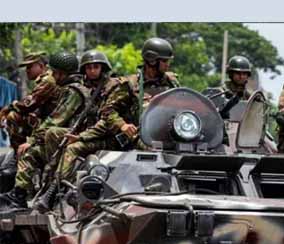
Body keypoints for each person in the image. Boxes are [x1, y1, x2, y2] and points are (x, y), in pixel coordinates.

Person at [55, 38, 179, 190]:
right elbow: (107, 111)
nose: (168, 64)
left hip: (167, 135)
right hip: (135, 137)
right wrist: (123, 125)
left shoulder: (172, 83)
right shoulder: (130, 84)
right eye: (165, 61)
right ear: (152, 61)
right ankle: (66, 191)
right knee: (73, 148)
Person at [0, 51, 89, 211]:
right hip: (58, 138)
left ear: (62, 74)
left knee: (46, 135)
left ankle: (49, 190)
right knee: (29, 154)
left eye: (55, 73)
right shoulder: (65, 89)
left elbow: (56, 119)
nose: (52, 76)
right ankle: (18, 196)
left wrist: (31, 141)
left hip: (68, 139)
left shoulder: (74, 92)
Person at [34, 50, 120, 212]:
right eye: (88, 68)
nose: (92, 71)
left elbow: (108, 121)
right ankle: (54, 179)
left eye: (96, 67)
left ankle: (58, 188)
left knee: (73, 147)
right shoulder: (83, 87)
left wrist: (81, 137)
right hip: (88, 132)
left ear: (103, 68)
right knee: (53, 133)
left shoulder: (113, 87)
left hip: (107, 136)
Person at [0, 52, 61, 151]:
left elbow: (28, 105)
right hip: (44, 118)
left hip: (52, 121)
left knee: (13, 116)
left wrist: (8, 108)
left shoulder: (47, 80)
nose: (27, 71)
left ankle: (20, 152)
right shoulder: (42, 80)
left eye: (29, 67)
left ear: (41, 66)